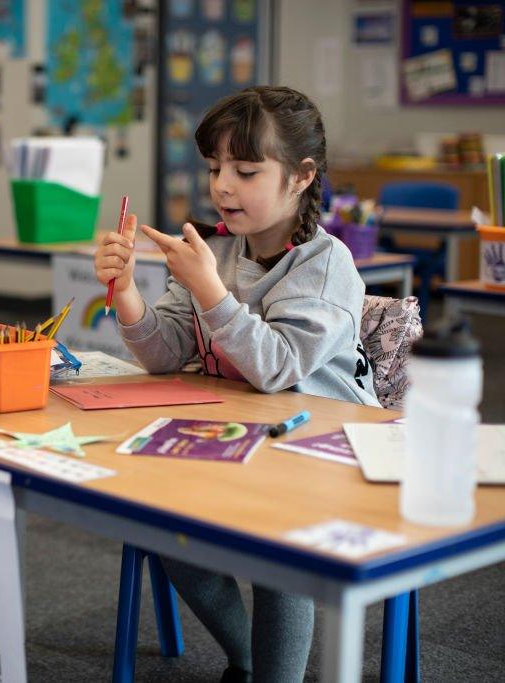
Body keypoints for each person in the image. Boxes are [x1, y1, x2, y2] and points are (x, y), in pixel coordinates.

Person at [94, 86, 379, 682]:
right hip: (241, 433)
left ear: (301, 177)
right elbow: (165, 353)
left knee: (278, 552)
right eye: (214, 168)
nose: (223, 185)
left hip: (322, 448)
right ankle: (248, 660)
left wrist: (210, 291)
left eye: (246, 170)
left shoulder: (325, 267)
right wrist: (126, 296)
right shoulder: (218, 248)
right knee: (161, 518)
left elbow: (276, 366)